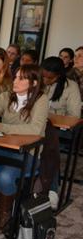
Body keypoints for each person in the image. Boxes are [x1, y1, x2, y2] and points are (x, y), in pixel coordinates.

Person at [0, 64, 48, 231]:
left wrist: (2, 127)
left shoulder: (41, 100)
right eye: (16, 77)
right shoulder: (6, 96)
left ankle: (6, 215)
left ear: (33, 83)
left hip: (28, 153)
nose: (15, 81)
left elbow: (36, 130)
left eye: (21, 78)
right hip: (3, 148)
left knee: (5, 176)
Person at [37, 57, 82, 208]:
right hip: (40, 127)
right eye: (43, 75)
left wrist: (50, 113)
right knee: (43, 144)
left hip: (61, 130)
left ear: (59, 75)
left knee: (49, 146)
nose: (45, 80)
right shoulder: (39, 82)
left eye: (49, 77)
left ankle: (51, 190)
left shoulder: (71, 87)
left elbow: (74, 115)